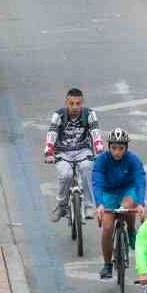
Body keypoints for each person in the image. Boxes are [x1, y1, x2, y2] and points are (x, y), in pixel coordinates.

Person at [92, 128, 146, 279]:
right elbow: (97, 183)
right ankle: (107, 265)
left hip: (126, 190)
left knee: (126, 206)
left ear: (126, 148)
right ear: (108, 147)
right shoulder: (101, 160)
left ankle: (130, 229)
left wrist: (141, 203)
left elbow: (140, 181)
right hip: (108, 192)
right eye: (113, 148)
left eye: (121, 148)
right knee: (108, 227)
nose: (117, 152)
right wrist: (100, 204)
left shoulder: (133, 160)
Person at [45, 87, 104, 222]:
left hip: (83, 150)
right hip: (63, 152)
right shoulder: (58, 115)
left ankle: (89, 206)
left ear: (82, 103)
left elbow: (96, 134)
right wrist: (49, 152)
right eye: (71, 103)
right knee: (65, 175)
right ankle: (61, 205)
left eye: (78, 104)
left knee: (86, 169)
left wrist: (99, 151)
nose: (75, 107)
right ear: (66, 103)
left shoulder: (89, 114)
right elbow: (52, 134)